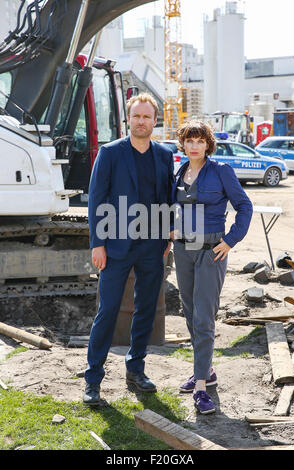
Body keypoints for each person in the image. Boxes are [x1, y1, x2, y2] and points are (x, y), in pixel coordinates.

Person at [83, 93, 174, 405]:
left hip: (152, 246)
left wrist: (167, 238)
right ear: (129, 119)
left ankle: (136, 369)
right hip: (116, 246)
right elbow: (96, 199)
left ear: (154, 121)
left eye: (147, 117)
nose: (141, 121)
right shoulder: (110, 153)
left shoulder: (164, 155)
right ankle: (93, 379)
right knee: (107, 311)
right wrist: (97, 244)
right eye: (136, 116)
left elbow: (167, 198)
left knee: (146, 309)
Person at [170, 121, 253, 415]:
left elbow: (245, 206)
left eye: (199, 140)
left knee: (204, 316)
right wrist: (171, 232)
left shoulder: (221, 172)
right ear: (183, 144)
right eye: (189, 140)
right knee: (191, 313)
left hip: (211, 253)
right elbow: (174, 208)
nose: (194, 145)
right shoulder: (180, 172)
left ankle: (201, 389)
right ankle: (205, 370)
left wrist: (230, 240)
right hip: (184, 251)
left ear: (208, 144)